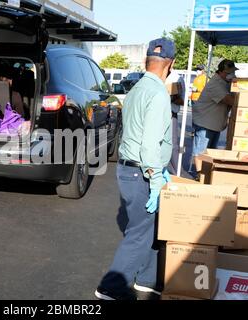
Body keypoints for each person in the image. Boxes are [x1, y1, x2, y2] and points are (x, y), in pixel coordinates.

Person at [95, 38, 175, 300]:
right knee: (139, 233)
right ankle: (110, 287)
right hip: (142, 172)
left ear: (146, 61)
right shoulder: (158, 94)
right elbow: (150, 144)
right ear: (170, 65)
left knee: (148, 226)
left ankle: (147, 279)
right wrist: (155, 180)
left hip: (130, 170)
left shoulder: (137, 88)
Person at [192, 59, 237, 174]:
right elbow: (229, 100)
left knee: (210, 152)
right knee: (201, 152)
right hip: (205, 123)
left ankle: (205, 174)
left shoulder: (224, 83)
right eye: (229, 73)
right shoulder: (216, 84)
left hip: (213, 123)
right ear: (221, 72)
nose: (232, 75)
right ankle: (199, 174)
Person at [165, 67, 185, 175]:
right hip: (155, 113)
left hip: (171, 114)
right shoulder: (154, 76)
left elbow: (183, 100)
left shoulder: (177, 79)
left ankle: (176, 172)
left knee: (172, 145)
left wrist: (171, 98)